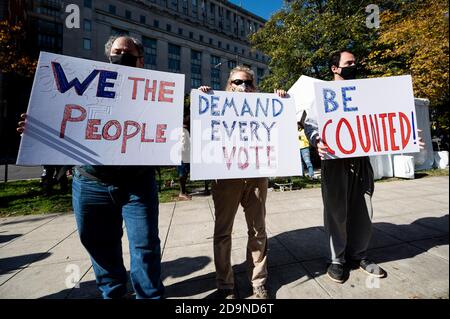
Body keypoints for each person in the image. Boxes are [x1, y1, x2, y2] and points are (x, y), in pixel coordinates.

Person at [18, 36, 164, 299]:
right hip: (90, 181)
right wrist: (36, 130)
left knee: (145, 246)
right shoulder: (89, 88)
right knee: (100, 247)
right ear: (108, 56)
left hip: (137, 183)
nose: (121, 54)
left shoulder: (155, 94)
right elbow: (65, 117)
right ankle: (113, 294)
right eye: (116, 51)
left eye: (127, 51)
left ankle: (150, 296)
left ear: (140, 60)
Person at [199, 66, 287, 299]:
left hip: (257, 176)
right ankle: (225, 283)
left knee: (258, 230)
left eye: (248, 83)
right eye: (238, 82)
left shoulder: (263, 107)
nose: (243, 87)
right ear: (229, 85)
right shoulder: (215, 105)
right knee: (223, 231)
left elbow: (279, 128)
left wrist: (281, 101)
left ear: (254, 87)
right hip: (227, 178)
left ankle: (258, 281)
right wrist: (203, 97)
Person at [304, 50, 387, 283]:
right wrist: (317, 140)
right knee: (336, 211)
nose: (354, 65)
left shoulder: (365, 93)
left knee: (364, 208)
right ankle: (337, 259)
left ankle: (359, 255)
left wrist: (407, 132)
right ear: (335, 68)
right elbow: (310, 125)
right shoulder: (322, 95)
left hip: (361, 160)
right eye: (348, 63)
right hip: (335, 161)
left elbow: (382, 120)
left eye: (354, 62)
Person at [177, 116, 192, 200]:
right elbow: (182, 145)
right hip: (183, 156)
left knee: (184, 174)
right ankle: (182, 193)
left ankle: (183, 192)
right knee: (182, 174)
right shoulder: (183, 131)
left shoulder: (184, 130)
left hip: (185, 156)